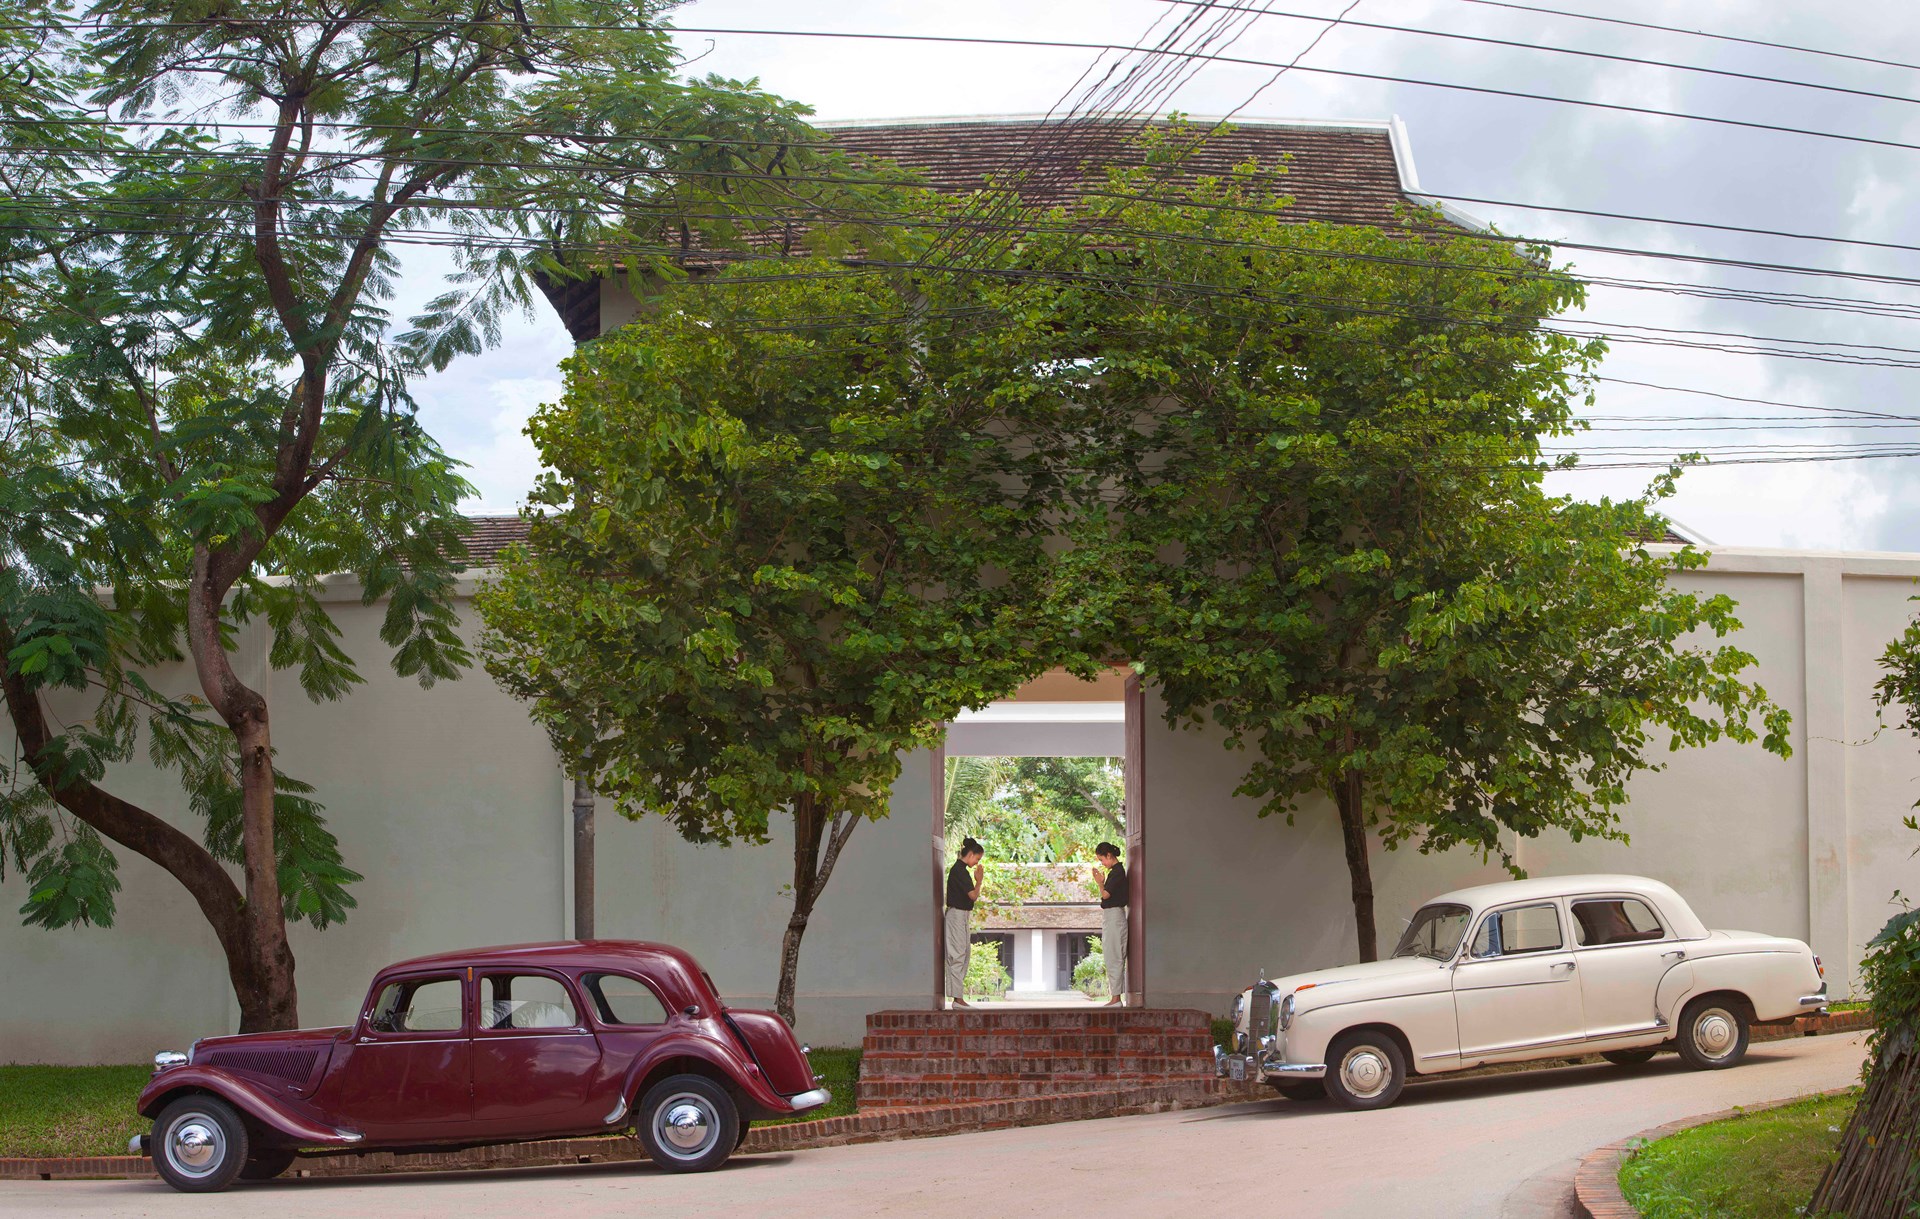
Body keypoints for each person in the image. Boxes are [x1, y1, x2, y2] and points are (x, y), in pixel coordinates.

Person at [945, 838, 985, 1007]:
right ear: (970, 854)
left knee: (963, 954)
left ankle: (958, 997)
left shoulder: (960, 871)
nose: (977, 863)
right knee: (958, 955)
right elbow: (973, 896)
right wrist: (979, 880)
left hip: (962, 916)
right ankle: (957, 999)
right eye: (977, 859)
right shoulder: (959, 871)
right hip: (956, 915)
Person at [1092, 842, 1129, 1005]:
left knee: (1114, 955)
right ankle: (1115, 997)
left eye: (1102, 860)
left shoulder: (1117, 872)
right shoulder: (1115, 873)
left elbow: (1105, 895)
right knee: (1110, 954)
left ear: (1109, 855)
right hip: (1111, 916)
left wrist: (1100, 882)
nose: (1102, 864)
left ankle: (1116, 998)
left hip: (1115, 916)